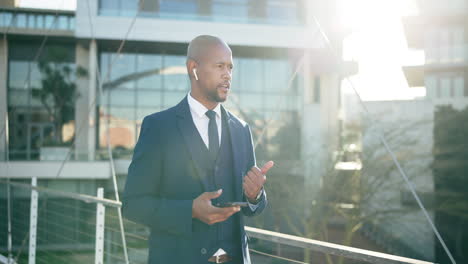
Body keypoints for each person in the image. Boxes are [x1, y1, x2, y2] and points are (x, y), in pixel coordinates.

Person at [122, 35, 274, 264]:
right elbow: (134, 204)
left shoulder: (242, 129)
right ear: (194, 68)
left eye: (230, 67)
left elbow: (253, 207)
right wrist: (189, 210)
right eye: (219, 66)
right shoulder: (159, 127)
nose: (228, 75)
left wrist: (255, 195)